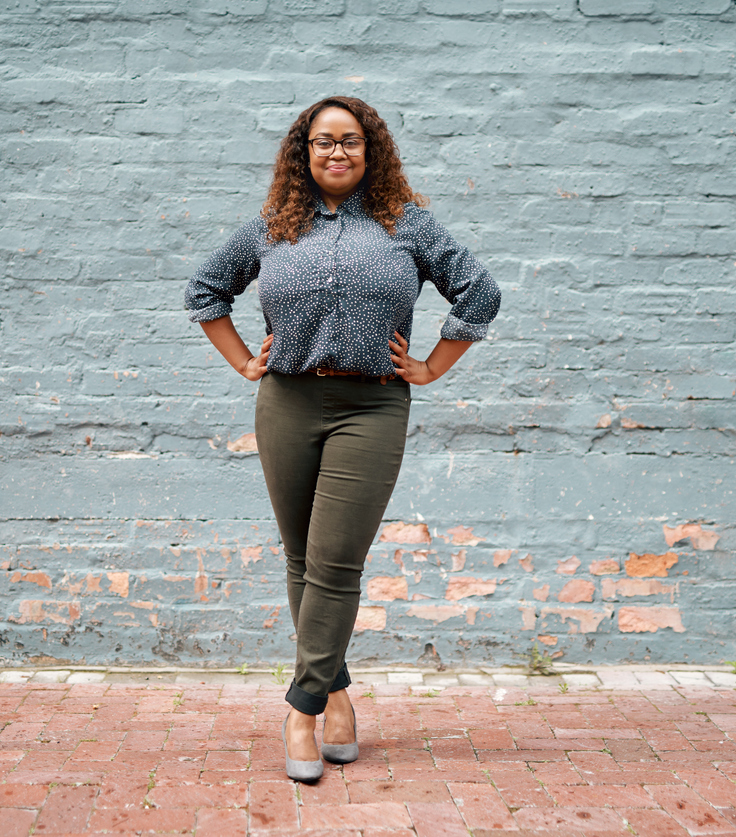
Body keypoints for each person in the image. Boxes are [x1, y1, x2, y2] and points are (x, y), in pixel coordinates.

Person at [183, 96, 500, 782]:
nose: (336, 152)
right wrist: (244, 361)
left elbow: (479, 292)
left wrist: (432, 365)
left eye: (350, 141)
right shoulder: (273, 228)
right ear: (304, 152)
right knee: (302, 557)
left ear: (370, 149)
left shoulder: (407, 224)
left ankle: (300, 708)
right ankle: (339, 696)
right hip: (288, 402)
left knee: (334, 560)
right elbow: (206, 290)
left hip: (372, 406)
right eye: (322, 141)